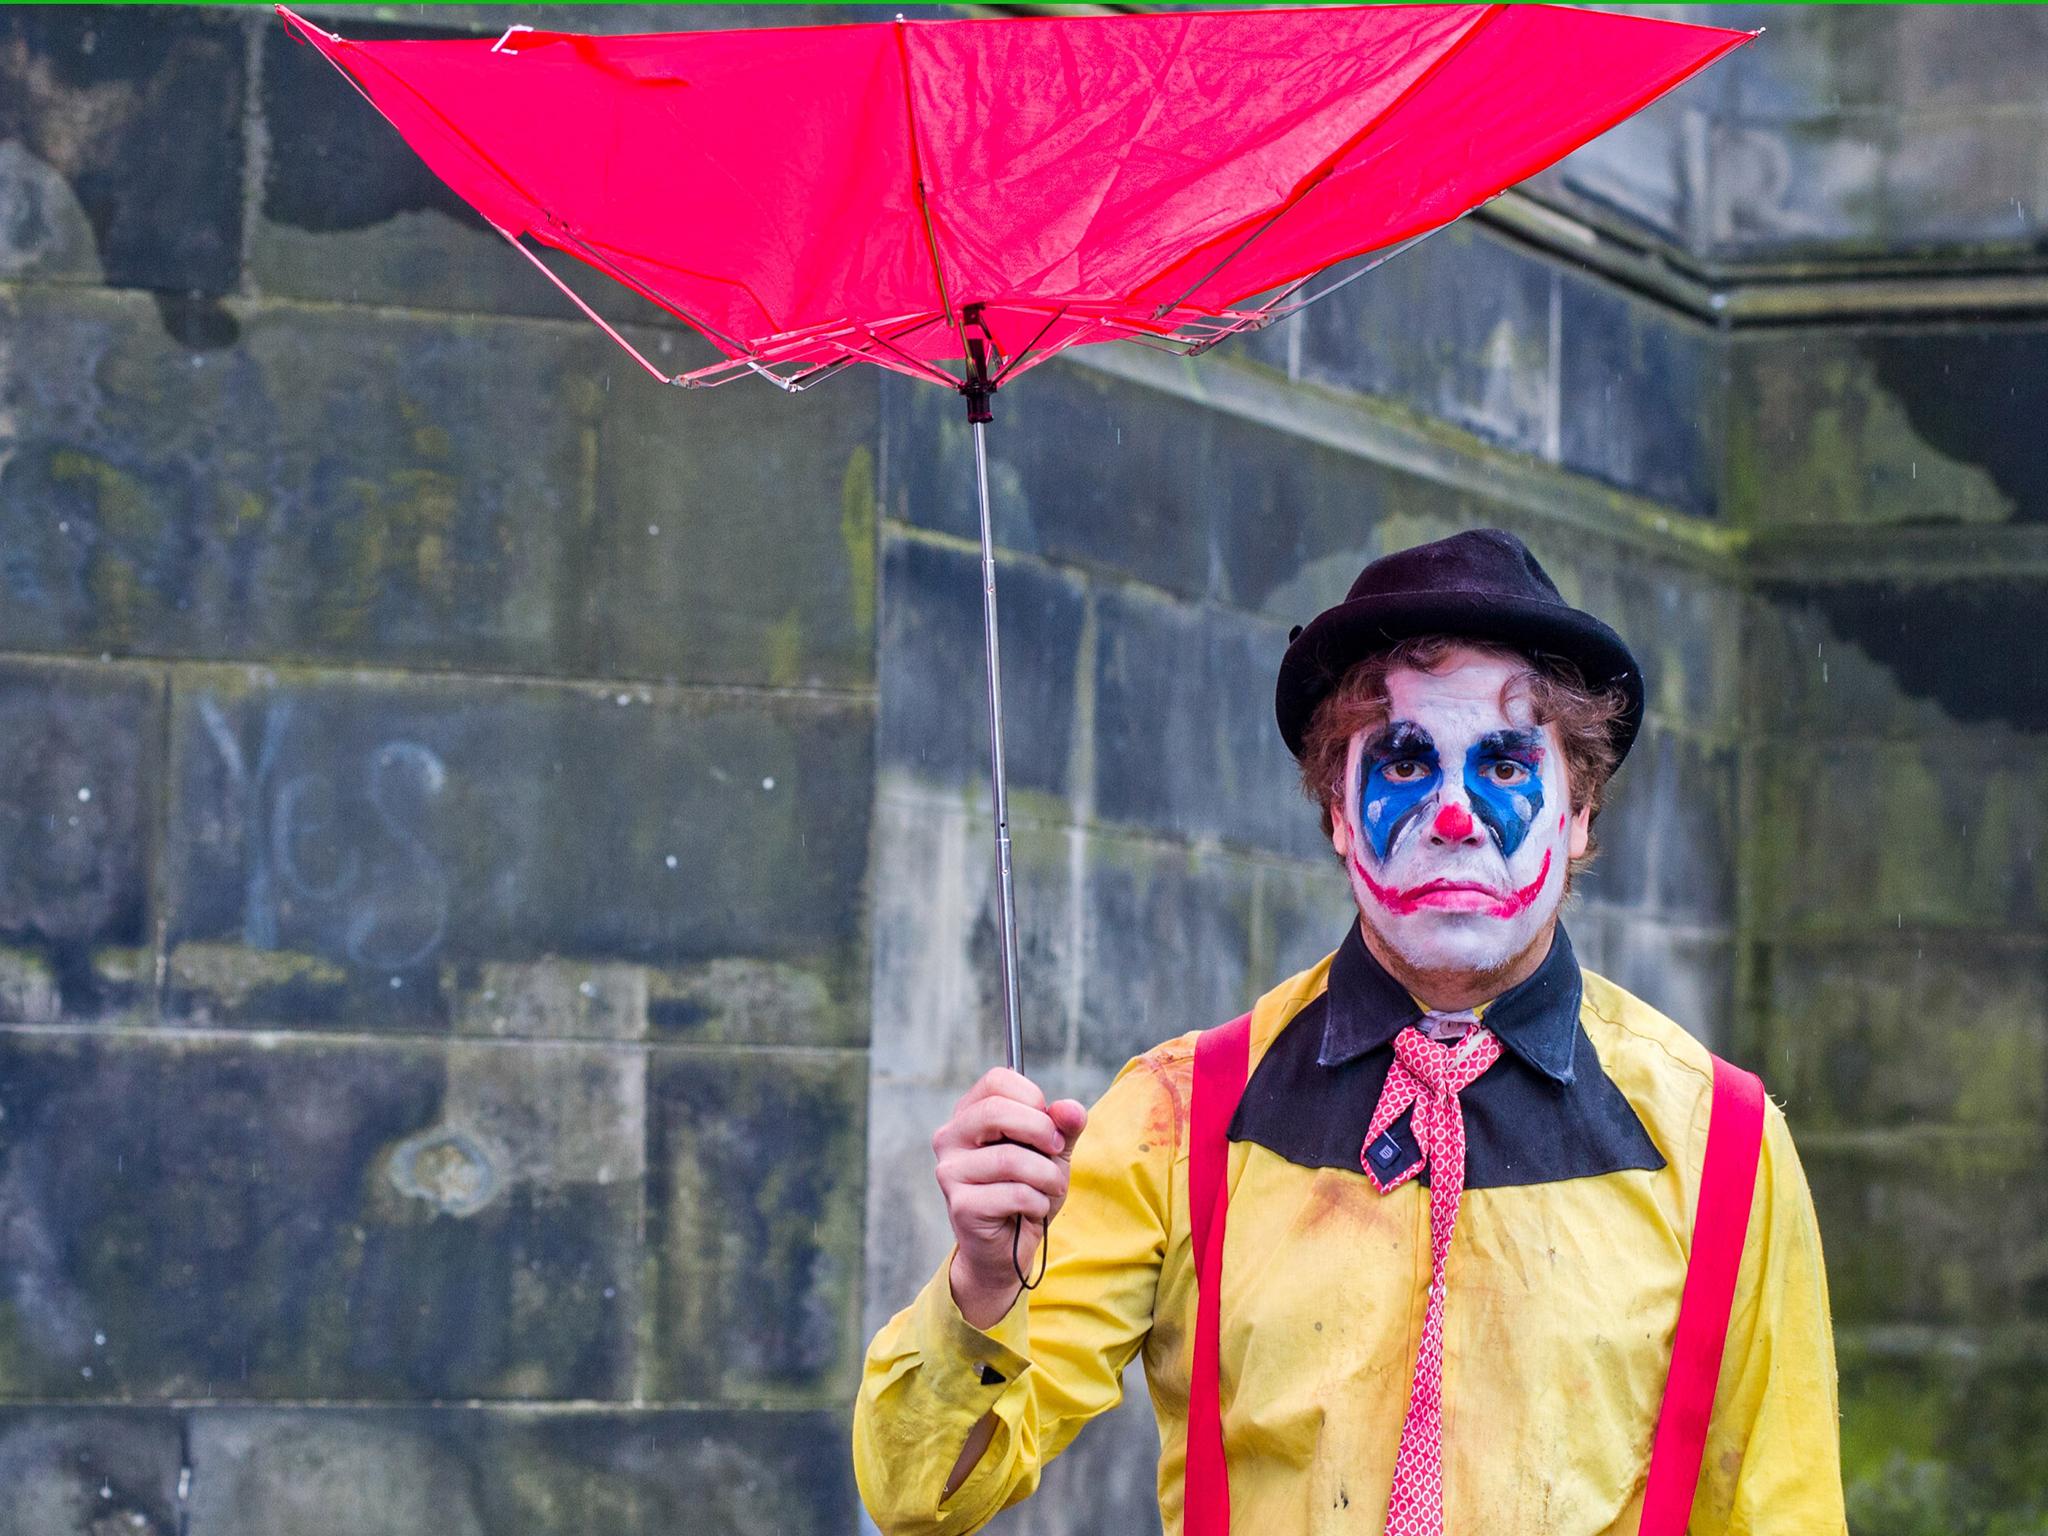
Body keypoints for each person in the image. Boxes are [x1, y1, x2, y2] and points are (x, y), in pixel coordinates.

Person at [853, 529, 1845, 1535]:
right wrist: (978, 1289)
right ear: (1336, 807)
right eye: (1404, 762)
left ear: (1579, 812)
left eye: (1504, 766)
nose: (1453, 814)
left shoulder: (1719, 1140)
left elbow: (1783, 1511)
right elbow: (919, 1498)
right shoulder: (1179, 1115)